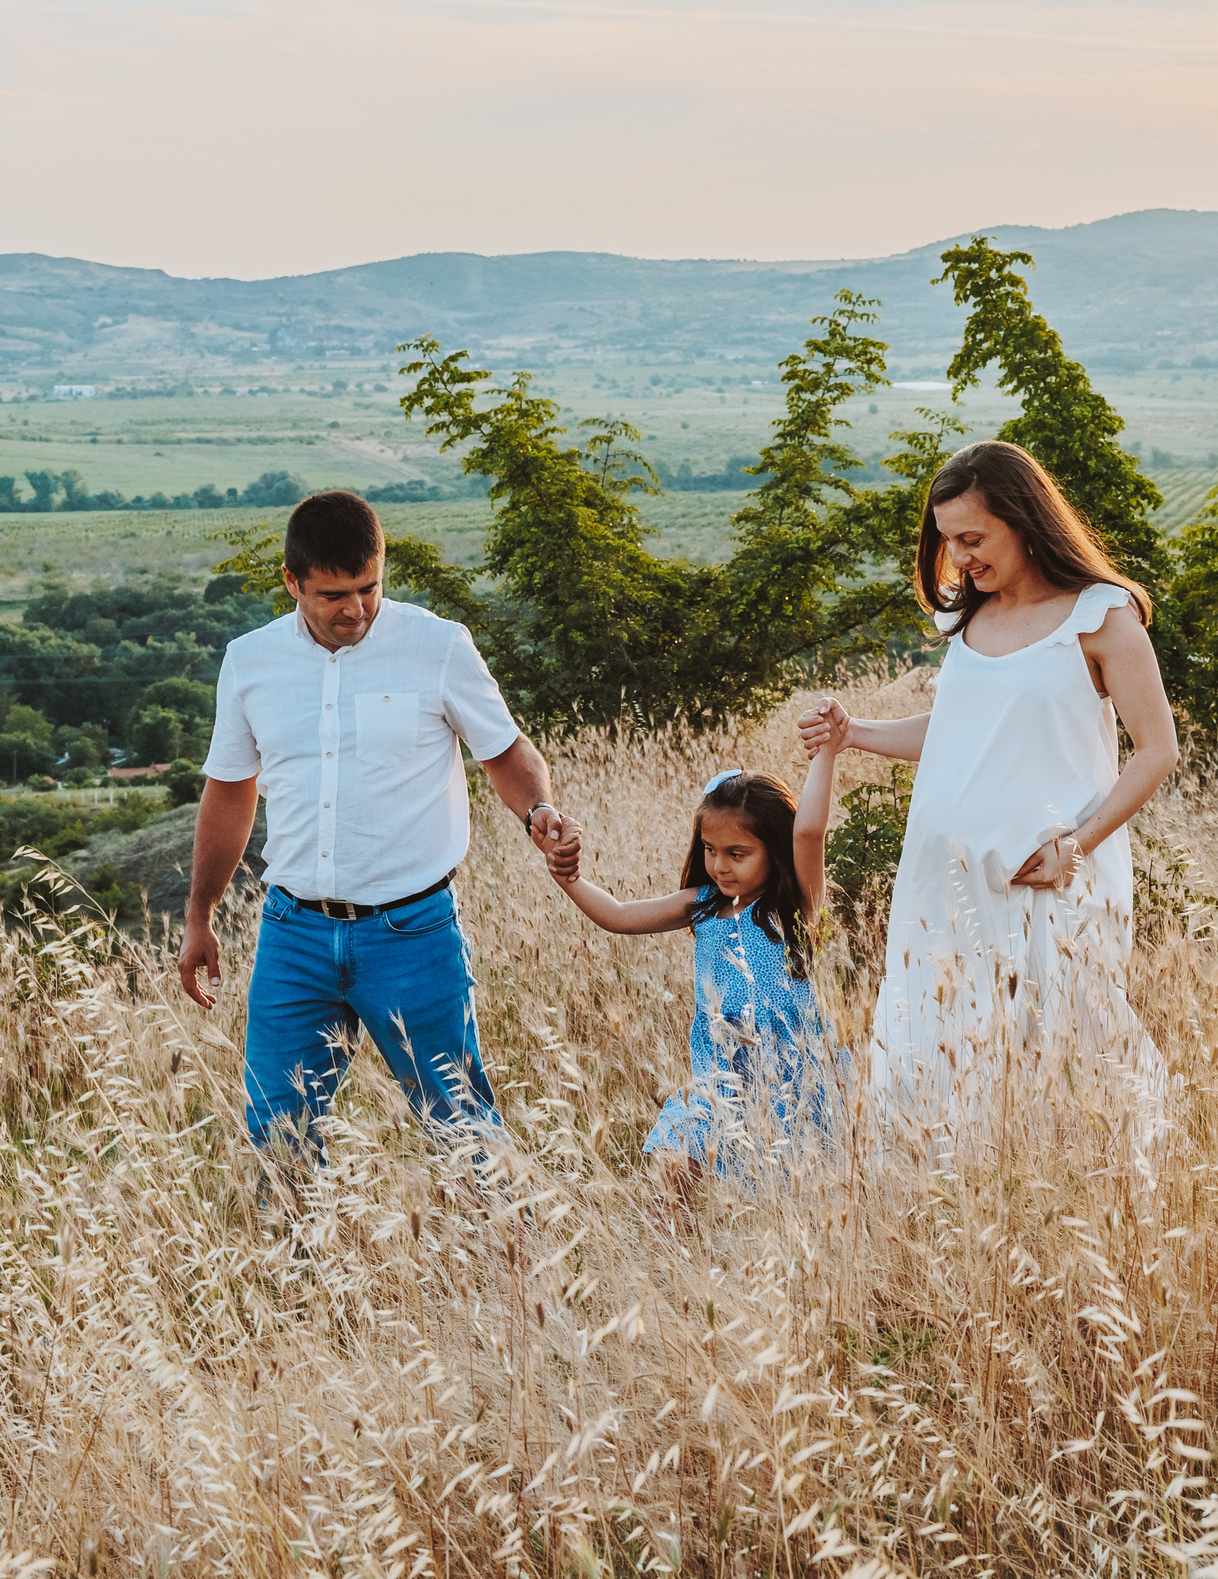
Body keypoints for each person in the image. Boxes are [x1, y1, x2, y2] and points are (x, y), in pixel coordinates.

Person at [799, 440, 1178, 1173]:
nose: (959, 556)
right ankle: (945, 1219)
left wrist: (1080, 842)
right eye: (947, 541)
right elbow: (953, 734)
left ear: (1024, 519)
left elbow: (1157, 749)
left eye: (972, 538)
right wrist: (854, 735)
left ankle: (1084, 1216)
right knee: (930, 1054)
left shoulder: (1100, 617)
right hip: (942, 892)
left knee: (1066, 1056)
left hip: (1046, 886)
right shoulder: (967, 623)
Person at [179, 490, 581, 1160]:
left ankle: (514, 1265)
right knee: (277, 1139)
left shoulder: (438, 645)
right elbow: (228, 792)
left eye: (369, 587)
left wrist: (537, 809)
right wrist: (200, 913)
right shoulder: (250, 662)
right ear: (292, 582)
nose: (356, 609)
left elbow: (508, 752)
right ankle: (297, 1269)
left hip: (413, 932)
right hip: (294, 936)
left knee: (463, 1130)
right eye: (333, 594)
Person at [547, 749, 847, 1196]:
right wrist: (567, 876)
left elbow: (808, 832)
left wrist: (827, 749)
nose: (720, 865)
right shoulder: (704, 904)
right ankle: (672, 1262)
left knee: (796, 1191)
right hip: (721, 1076)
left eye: (737, 853)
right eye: (710, 850)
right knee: (673, 1162)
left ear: (774, 847)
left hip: (794, 1076)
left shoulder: (795, 906)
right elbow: (620, 916)